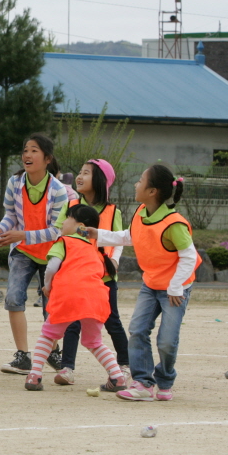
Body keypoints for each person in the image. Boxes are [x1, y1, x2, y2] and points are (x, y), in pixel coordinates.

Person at [89, 165, 200, 402]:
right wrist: (97, 233)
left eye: (140, 180)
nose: (135, 184)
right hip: (151, 284)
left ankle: (165, 379)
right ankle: (142, 383)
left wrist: (176, 286)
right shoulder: (141, 212)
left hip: (175, 288)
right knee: (138, 330)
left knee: (167, 341)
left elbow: (189, 256)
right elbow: (129, 237)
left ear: (152, 191)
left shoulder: (174, 223)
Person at [24, 204, 126, 392]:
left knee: (49, 334)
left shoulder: (64, 241)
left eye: (68, 218)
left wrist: (47, 285)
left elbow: (52, 267)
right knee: (94, 341)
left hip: (68, 295)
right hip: (96, 298)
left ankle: (34, 375)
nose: (63, 222)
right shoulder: (94, 249)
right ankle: (118, 377)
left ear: (80, 225)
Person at [0, 133, 68, 375]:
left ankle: (53, 351)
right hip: (22, 251)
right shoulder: (15, 183)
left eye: (34, 150)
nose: (27, 155)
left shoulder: (59, 190)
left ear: (47, 159)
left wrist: (20, 235)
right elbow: (10, 215)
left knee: (50, 307)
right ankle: (22, 356)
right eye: (25, 150)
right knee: (13, 298)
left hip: (50, 253)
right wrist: (0, 231)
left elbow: (57, 231)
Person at [52, 159, 128, 386]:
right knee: (72, 322)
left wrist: (114, 260)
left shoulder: (113, 210)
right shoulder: (71, 204)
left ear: (101, 180)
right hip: (75, 275)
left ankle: (124, 365)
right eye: (80, 171)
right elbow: (60, 234)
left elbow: (120, 239)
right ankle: (67, 368)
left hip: (102, 275)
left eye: (86, 173)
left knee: (112, 320)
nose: (79, 176)